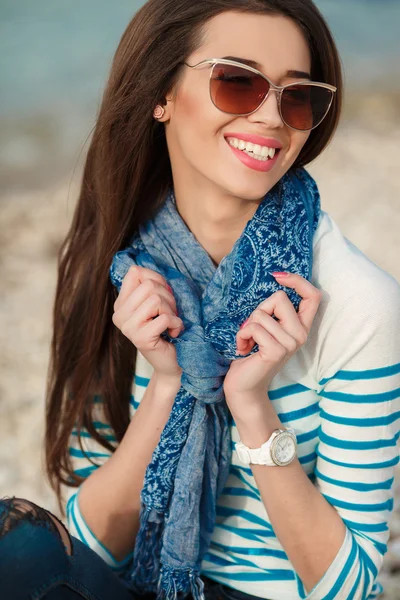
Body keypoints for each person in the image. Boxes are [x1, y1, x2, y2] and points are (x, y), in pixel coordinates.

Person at [1, 0, 399, 599]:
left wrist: (251, 404)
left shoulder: (356, 303)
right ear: (160, 93)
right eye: (237, 82)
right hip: (145, 580)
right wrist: (167, 385)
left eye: (297, 98)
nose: (272, 118)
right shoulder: (120, 269)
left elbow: (351, 588)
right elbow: (85, 546)